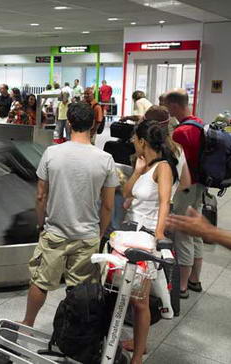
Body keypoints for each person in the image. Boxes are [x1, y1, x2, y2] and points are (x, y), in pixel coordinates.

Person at [21, 102, 117, 328]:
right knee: (80, 289)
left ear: (70, 123)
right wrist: (99, 232)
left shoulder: (52, 153)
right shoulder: (105, 160)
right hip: (87, 235)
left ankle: (27, 322)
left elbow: (40, 196)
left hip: (54, 231)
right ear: (93, 125)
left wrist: (41, 224)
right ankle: (73, 333)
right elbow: (108, 206)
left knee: (40, 281)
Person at [120, 119, 179, 363]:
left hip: (146, 239)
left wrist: (159, 233)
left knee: (140, 299)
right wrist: (136, 172)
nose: (132, 142)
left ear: (143, 141)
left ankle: (138, 353)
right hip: (129, 236)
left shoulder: (163, 167)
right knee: (128, 294)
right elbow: (126, 193)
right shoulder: (144, 165)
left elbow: (165, 201)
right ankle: (137, 342)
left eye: (135, 138)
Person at [160, 89, 205, 298]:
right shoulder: (198, 123)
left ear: (175, 106)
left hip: (187, 188)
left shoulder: (180, 132)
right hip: (201, 186)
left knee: (183, 234)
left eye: (168, 107)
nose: (167, 111)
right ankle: (195, 279)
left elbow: (178, 166)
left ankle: (182, 287)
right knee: (195, 233)